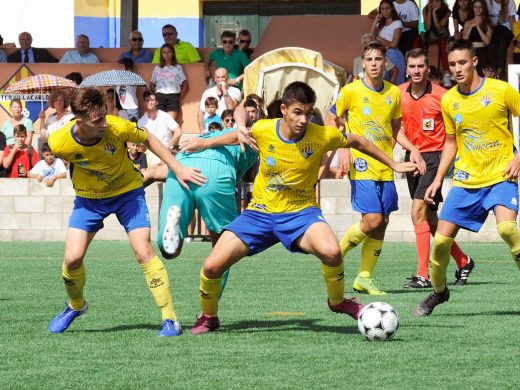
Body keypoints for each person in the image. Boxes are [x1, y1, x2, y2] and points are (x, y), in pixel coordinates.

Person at [189, 81, 420, 334]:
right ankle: (209, 317)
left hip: (301, 214)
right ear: (284, 109)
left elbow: (359, 141)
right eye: (298, 112)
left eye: (308, 113)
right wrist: (211, 140)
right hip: (259, 214)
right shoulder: (265, 129)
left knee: (332, 253)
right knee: (211, 267)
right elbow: (242, 114)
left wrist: (394, 165)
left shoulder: (321, 135)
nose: (303, 119)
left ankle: (338, 301)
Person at [46, 87, 206, 336]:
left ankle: (169, 318)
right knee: (72, 260)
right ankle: (76, 306)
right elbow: (71, 161)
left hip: (127, 193)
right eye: (97, 120)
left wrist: (176, 167)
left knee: (144, 252)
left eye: (104, 115)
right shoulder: (58, 141)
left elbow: (149, 139)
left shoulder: (117, 126)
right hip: (89, 200)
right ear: (80, 121)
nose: (103, 123)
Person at [413, 39, 520, 317]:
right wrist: (437, 179)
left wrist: (519, 155)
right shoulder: (449, 100)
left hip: (500, 176)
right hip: (465, 181)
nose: (457, 69)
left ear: (474, 62)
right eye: (453, 64)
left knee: (508, 230)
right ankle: (439, 292)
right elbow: (451, 142)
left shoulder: (501, 90)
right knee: (440, 245)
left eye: (462, 63)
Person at [325, 41, 425, 295]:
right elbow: (330, 117)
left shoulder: (393, 93)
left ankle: (364, 278)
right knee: (372, 219)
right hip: (361, 164)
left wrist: (412, 147)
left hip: (386, 165)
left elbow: (394, 129)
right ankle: (335, 254)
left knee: (382, 222)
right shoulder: (351, 91)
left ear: (385, 63)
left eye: (378, 59)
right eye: (369, 59)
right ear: (363, 63)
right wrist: (343, 146)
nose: (373, 64)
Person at [399, 48, 474, 289]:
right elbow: (393, 127)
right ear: (406, 69)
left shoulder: (444, 96)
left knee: (417, 212)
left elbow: (459, 125)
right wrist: (411, 149)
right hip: (412, 158)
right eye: (412, 66)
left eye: (421, 66)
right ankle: (463, 261)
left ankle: (424, 274)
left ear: (428, 69)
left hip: (435, 158)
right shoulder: (397, 93)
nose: (416, 71)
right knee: (430, 221)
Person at [137, 90, 182, 166]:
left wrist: (168, 148)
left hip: (166, 150)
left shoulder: (165, 116)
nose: (150, 102)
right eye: (147, 100)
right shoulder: (141, 122)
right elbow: (141, 143)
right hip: (150, 152)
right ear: (144, 103)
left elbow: (178, 132)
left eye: (152, 100)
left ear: (157, 102)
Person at [415, 0, 452, 86]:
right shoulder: (425, 10)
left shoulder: (447, 11)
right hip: (430, 35)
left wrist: (434, 13)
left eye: (437, 1)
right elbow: (427, 28)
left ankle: (446, 74)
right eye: (433, 1)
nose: (435, 3)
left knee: (443, 45)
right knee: (416, 41)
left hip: (442, 34)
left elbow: (439, 27)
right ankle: (415, 68)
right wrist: (430, 12)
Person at [369, 0, 406, 85]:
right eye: (382, 9)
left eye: (387, 9)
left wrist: (380, 39)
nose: (385, 11)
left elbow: (394, 44)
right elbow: (370, 37)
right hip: (382, 55)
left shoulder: (397, 23)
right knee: (384, 85)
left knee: (398, 85)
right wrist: (375, 21)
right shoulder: (381, 23)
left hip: (393, 54)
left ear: (392, 9)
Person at [150, 43, 187, 121]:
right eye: (164, 52)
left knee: (170, 122)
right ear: (161, 54)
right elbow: (152, 84)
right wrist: (156, 95)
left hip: (173, 97)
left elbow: (185, 84)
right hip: (160, 97)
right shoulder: (157, 68)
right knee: (160, 121)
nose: (166, 54)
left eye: (169, 52)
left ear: (173, 53)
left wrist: (179, 98)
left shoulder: (177, 67)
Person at [197, 68, 242, 132]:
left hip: (227, 130)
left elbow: (230, 108)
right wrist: (202, 130)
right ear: (215, 79)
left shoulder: (235, 91)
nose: (220, 80)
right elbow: (201, 113)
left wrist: (224, 90)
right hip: (210, 129)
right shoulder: (207, 92)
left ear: (227, 78)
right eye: (218, 77)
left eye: (223, 77)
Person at [486, 0, 516, 79]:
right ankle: (495, 70)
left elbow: (512, 22)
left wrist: (515, 38)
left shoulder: (510, 2)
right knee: (492, 45)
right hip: (493, 30)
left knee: (502, 40)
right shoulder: (487, 2)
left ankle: (499, 70)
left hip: (506, 31)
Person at [463, 0, 494, 76]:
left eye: (480, 7)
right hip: (470, 51)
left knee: (482, 74)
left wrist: (478, 28)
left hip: (483, 52)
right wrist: (470, 27)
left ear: (484, 9)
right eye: (475, 7)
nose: (477, 9)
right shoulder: (467, 23)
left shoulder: (487, 23)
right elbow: (464, 40)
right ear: (472, 8)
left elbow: (487, 41)